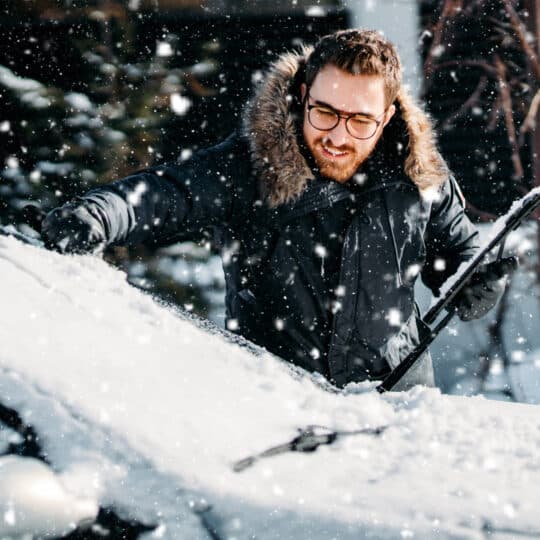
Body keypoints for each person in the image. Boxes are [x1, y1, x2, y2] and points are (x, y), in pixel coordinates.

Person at [42, 29, 515, 390]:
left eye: (360, 121)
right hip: (277, 406)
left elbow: (462, 256)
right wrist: (98, 215)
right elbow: (165, 193)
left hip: (398, 408)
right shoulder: (252, 166)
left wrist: (479, 282)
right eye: (325, 111)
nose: (338, 135)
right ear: (303, 96)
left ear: (387, 117)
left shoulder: (421, 178)